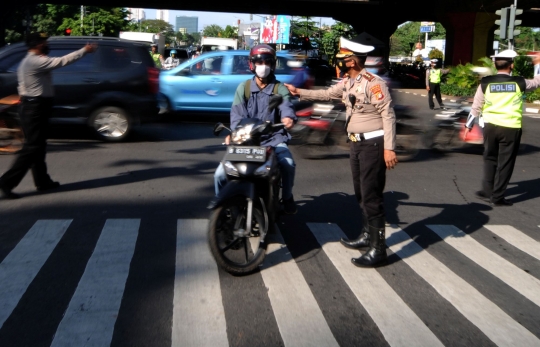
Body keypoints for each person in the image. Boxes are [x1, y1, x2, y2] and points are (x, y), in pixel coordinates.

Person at [285, 37, 398, 267]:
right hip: (356, 144)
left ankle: (379, 250)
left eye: (345, 58)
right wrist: (299, 93)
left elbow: (388, 115)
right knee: (360, 193)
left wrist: (389, 148)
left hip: (373, 144)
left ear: (355, 60)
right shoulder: (349, 82)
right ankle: (367, 236)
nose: (341, 62)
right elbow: (327, 94)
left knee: (371, 196)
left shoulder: (373, 83)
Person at [0, 33, 97, 199]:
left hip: (36, 106)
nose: (46, 45)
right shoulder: (34, 61)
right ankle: (6, 182)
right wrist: (85, 50)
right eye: (44, 43)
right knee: (32, 147)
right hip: (34, 107)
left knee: (38, 145)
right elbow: (62, 61)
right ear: (37, 45)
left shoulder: (31, 60)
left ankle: (43, 181)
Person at [214, 44, 298, 214]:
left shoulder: (279, 88)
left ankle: (287, 198)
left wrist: (288, 118)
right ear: (251, 64)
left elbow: (286, 106)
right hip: (247, 141)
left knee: (288, 165)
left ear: (273, 64)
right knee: (219, 175)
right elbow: (236, 115)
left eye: (267, 62)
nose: (263, 65)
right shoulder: (243, 88)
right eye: (259, 61)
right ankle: (223, 207)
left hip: (273, 140)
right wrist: (234, 133)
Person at [466, 50, 540, 207]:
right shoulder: (520, 83)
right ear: (511, 65)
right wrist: (538, 64)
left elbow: (476, 106)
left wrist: (468, 125)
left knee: (489, 158)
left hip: (490, 127)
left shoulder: (486, 83)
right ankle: (497, 197)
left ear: (494, 65)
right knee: (505, 162)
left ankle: (487, 191)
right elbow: (537, 81)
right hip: (510, 127)